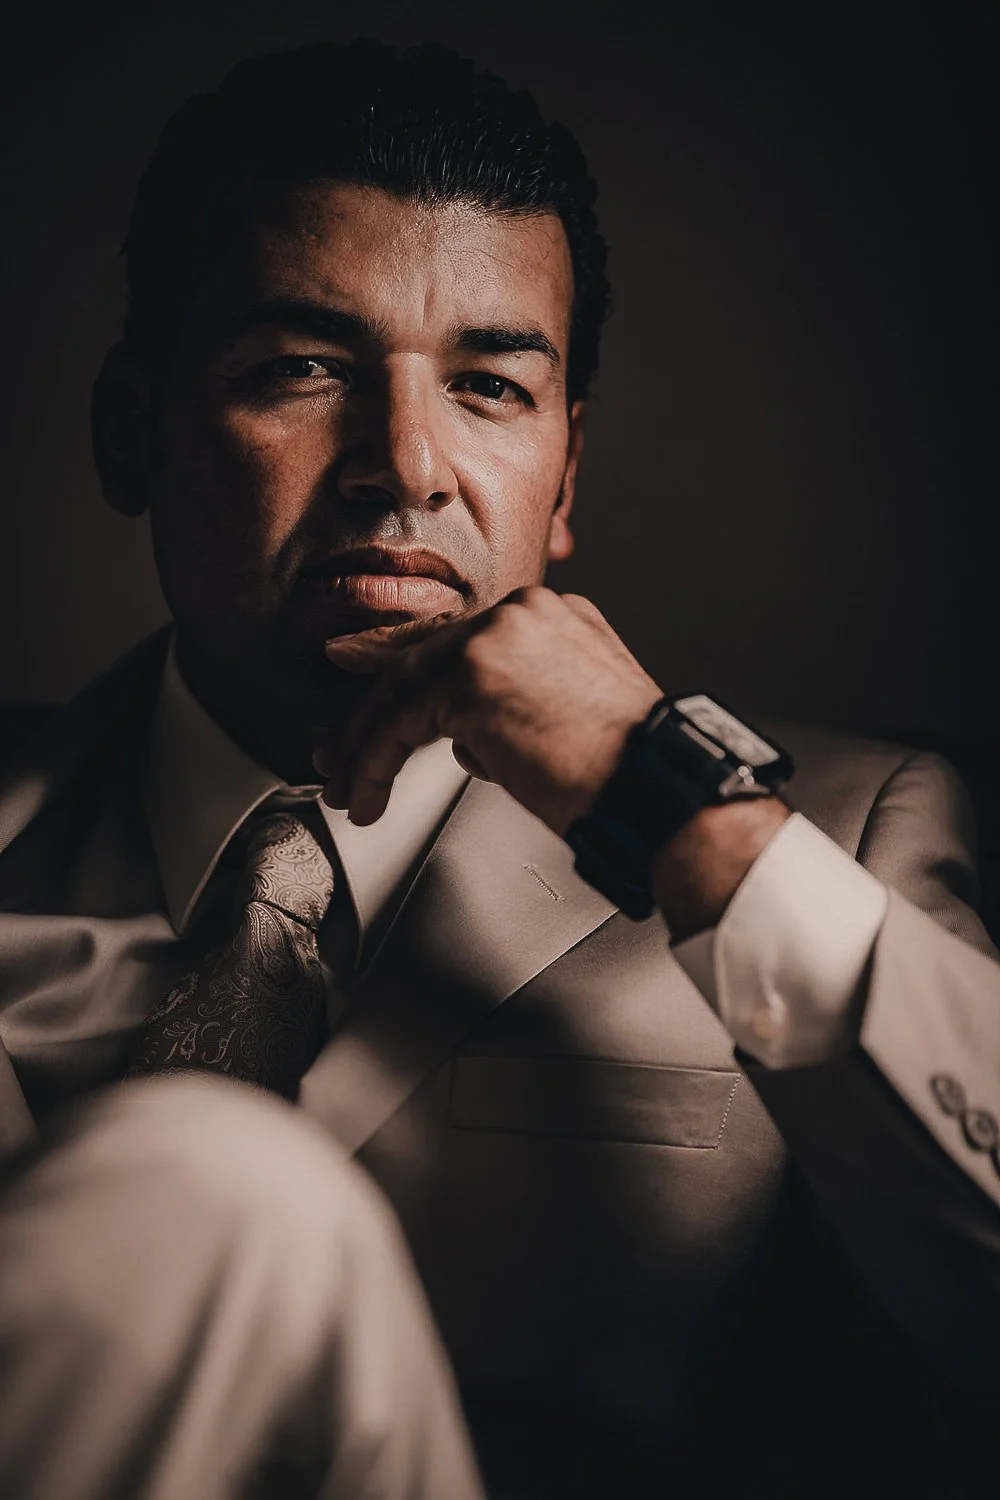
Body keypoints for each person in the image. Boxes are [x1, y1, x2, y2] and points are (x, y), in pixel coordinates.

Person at [1, 36, 998, 1500]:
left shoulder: (852, 829)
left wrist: (682, 813)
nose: (404, 465)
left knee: (217, 1181)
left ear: (567, 475)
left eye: (489, 388)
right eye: (300, 370)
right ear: (130, 434)